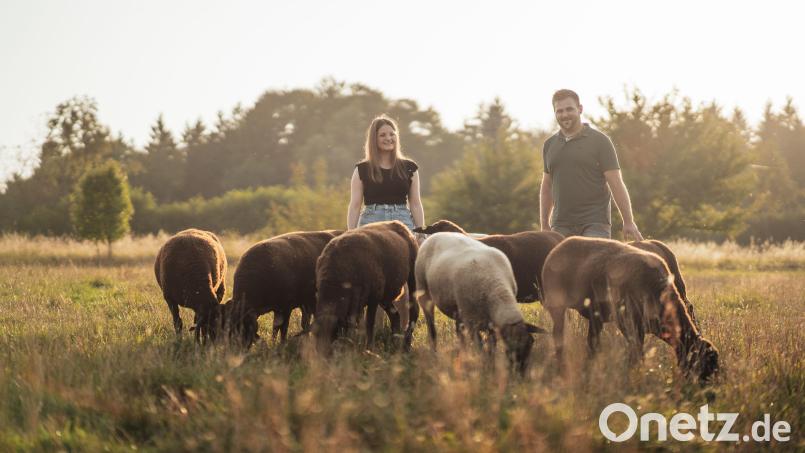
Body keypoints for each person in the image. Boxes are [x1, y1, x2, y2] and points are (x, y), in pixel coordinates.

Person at [540, 89, 643, 241]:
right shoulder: (549, 145)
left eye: (569, 109)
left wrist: (628, 221)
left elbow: (615, 182)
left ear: (580, 109)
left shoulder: (600, 141)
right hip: (560, 225)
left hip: (595, 223)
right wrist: (544, 225)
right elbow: (547, 186)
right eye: (559, 111)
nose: (565, 114)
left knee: (592, 257)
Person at [347, 115, 425, 231]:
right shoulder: (361, 169)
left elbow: (415, 204)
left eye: (392, 134)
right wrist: (351, 233)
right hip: (371, 222)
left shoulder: (410, 168)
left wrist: (421, 232)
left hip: (402, 223)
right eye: (382, 135)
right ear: (374, 139)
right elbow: (355, 205)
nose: (388, 138)